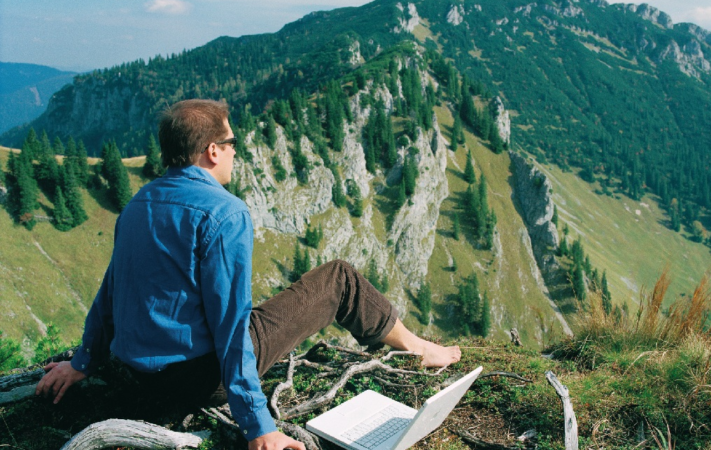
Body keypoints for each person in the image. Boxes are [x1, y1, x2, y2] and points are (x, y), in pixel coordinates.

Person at [35, 99, 461, 450]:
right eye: (231, 141)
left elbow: (109, 291)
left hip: (142, 377)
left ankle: (415, 345)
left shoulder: (138, 204)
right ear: (212, 151)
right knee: (339, 278)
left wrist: (82, 362)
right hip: (200, 379)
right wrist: (259, 427)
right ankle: (419, 347)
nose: (236, 150)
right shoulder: (224, 212)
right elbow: (231, 326)